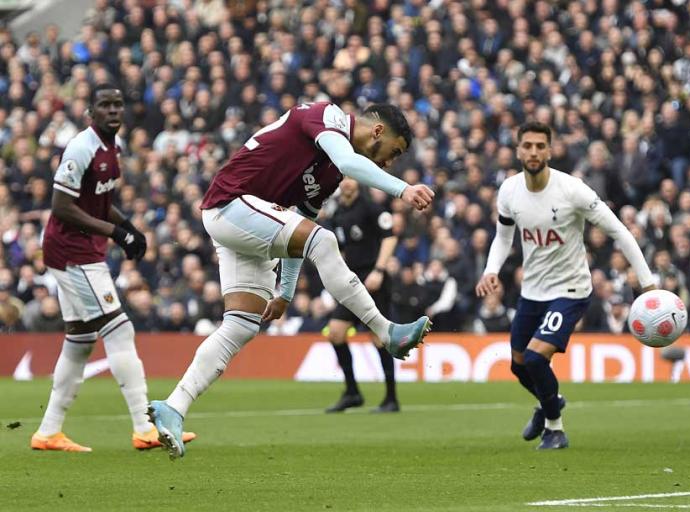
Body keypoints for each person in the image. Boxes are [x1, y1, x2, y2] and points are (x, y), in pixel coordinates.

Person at [148, 102, 435, 459]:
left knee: (241, 325)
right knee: (325, 240)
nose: (390, 163)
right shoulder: (327, 116)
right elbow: (346, 168)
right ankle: (386, 331)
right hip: (232, 204)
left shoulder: (330, 175)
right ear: (377, 131)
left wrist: (284, 292)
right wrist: (403, 189)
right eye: (394, 152)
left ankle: (173, 406)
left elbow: (298, 231)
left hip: (245, 220)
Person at [475, 122, 657, 450]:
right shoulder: (509, 191)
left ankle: (555, 429)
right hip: (532, 291)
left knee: (534, 359)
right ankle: (551, 402)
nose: (533, 152)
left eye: (539, 146)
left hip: (571, 290)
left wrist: (648, 283)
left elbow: (619, 231)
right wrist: (491, 270)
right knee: (518, 365)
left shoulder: (573, 191)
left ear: (550, 150)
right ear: (518, 150)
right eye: (527, 145)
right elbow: (503, 238)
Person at [34, 84, 195, 452]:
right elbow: (61, 206)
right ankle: (145, 426)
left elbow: (99, 203)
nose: (113, 111)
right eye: (104, 105)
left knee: (81, 340)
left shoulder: (112, 149)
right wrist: (116, 234)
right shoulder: (81, 147)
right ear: (91, 111)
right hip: (71, 252)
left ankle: (47, 432)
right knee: (120, 330)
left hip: (84, 250)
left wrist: (130, 229)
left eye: (118, 105)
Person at [324, 179, 400, 414]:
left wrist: (379, 270)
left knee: (379, 338)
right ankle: (352, 392)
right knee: (335, 332)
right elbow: (342, 248)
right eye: (343, 177)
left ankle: (391, 398)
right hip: (352, 281)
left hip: (373, 278)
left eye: (350, 177)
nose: (347, 183)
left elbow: (389, 236)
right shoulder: (337, 211)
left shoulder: (370, 206)